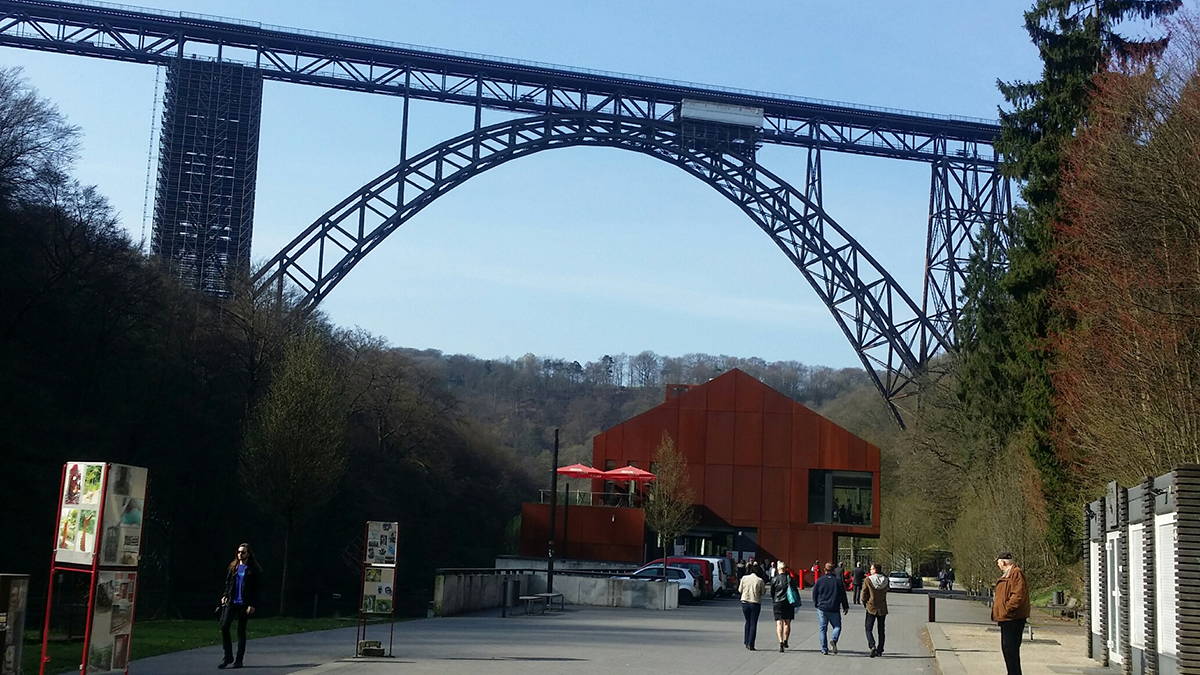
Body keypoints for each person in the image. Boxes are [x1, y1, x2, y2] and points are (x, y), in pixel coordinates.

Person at [219, 542, 262, 669]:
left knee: (240, 631)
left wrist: (252, 604)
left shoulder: (253, 570)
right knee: (224, 626)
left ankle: (239, 659)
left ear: (248, 554)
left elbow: (257, 589)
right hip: (232, 602)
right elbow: (228, 583)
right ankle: (228, 657)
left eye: (243, 552)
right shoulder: (234, 567)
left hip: (245, 604)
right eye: (238, 552)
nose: (240, 554)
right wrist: (225, 595)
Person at [993, 551, 1031, 675]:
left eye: (998, 562)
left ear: (1003, 562)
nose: (998, 565)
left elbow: (1018, 595)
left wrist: (1007, 608)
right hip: (1006, 618)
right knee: (1008, 650)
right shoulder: (1008, 574)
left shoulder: (1016, 573)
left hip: (1013, 618)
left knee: (1011, 650)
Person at [812, 562, 849, 655]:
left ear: (824, 570)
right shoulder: (837, 581)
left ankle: (824, 649)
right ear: (833, 571)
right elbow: (843, 595)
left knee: (822, 629)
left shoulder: (819, 581)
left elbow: (814, 593)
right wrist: (845, 606)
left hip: (822, 608)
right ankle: (834, 638)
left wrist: (816, 603)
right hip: (834, 607)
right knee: (837, 626)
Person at [770, 560, 799, 652]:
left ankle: (780, 642)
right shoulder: (789, 579)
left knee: (779, 623)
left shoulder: (774, 579)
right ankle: (786, 640)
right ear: (785, 569)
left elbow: (772, 592)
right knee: (787, 623)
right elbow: (795, 591)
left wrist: (774, 599)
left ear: (778, 569)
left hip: (777, 602)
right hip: (788, 602)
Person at [861, 563, 889, 657]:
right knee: (881, 630)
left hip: (871, 606)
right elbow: (887, 589)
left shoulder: (868, 580)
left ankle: (872, 645)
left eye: (871, 569)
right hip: (882, 607)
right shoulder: (885, 580)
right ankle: (880, 649)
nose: (870, 570)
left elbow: (864, 593)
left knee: (868, 628)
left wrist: (864, 602)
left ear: (875, 570)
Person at [739, 562, 766, 650]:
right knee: (753, 623)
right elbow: (763, 592)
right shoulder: (760, 580)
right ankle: (751, 643)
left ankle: (746, 641)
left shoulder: (744, 578)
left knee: (747, 621)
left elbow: (740, 590)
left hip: (745, 602)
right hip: (755, 602)